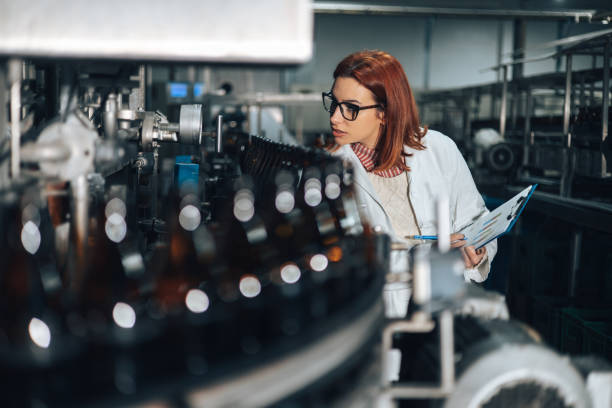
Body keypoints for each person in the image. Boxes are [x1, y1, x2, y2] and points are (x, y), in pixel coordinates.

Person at [322, 50, 497, 312]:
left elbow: (477, 218)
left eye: (350, 109)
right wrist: (425, 257)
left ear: (384, 112)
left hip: (446, 305)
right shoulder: (326, 172)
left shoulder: (439, 149)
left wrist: (477, 249)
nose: (334, 117)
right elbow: (337, 262)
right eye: (334, 103)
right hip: (376, 316)